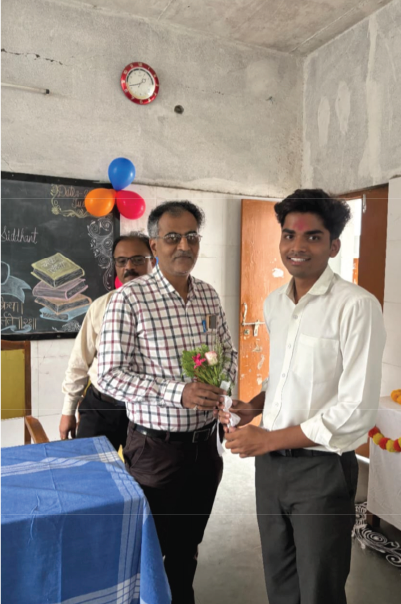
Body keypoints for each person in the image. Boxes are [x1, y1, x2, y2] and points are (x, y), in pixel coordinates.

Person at [220, 189, 386, 604]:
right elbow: (284, 377)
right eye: (289, 235)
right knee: (279, 579)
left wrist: (267, 439)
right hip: (270, 469)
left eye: (313, 237)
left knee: (319, 588)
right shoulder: (275, 303)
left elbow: (356, 409)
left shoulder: (356, 306)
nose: (297, 246)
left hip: (321, 470)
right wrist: (253, 407)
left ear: (334, 246)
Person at [97, 201, 238, 604]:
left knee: (186, 547)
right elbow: (108, 375)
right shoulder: (130, 299)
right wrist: (177, 391)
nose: (184, 246)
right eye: (173, 237)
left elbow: (228, 353)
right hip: (155, 451)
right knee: (146, 549)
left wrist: (220, 387)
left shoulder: (208, 295)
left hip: (205, 448)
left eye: (192, 236)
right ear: (155, 245)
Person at [59, 233, 155, 450]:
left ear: (154, 261)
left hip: (147, 411)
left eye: (138, 259)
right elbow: (79, 361)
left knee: (140, 470)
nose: (129, 267)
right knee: (89, 467)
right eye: (121, 261)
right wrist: (68, 411)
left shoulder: (166, 311)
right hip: (102, 407)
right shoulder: (101, 306)